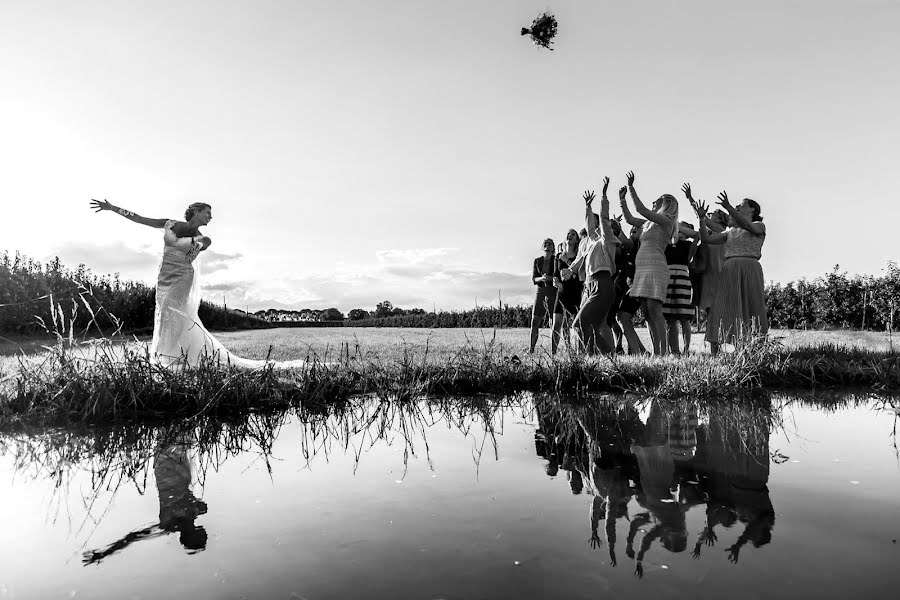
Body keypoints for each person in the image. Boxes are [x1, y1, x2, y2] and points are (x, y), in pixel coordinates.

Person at [90, 199, 300, 369]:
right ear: (195, 211)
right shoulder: (170, 224)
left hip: (182, 277)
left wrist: (199, 243)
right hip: (164, 277)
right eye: (207, 212)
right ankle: (171, 355)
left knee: (175, 314)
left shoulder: (205, 239)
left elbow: (198, 248)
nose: (211, 216)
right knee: (164, 314)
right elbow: (140, 219)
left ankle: (173, 358)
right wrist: (112, 208)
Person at [696, 192, 768, 354]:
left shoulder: (759, 225)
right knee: (721, 304)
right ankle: (716, 347)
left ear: (751, 209)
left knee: (750, 304)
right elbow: (707, 240)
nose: (736, 207)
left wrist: (727, 207)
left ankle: (752, 345)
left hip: (750, 269)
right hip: (730, 269)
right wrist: (701, 219)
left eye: (741, 205)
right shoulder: (730, 231)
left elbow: (748, 226)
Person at [619, 171, 679, 355]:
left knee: (654, 309)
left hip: (655, 268)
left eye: (657, 200)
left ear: (666, 203)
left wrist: (630, 188)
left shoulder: (666, 221)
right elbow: (630, 219)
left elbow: (641, 210)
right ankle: (656, 351)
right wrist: (622, 200)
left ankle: (663, 352)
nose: (653, 202)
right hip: (642, 269)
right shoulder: (648, 224)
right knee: (646, 311)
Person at [566, 180, 617, 354]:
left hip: (602, 284)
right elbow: (589, 226)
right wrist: (587, 208)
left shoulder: (607, 240)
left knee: (579, 324)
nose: (592, 227)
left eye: (596, 224)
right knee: (589, 328)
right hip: (589, 284)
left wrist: (603, 197)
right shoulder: (588, 243)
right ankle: (598, 359)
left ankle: (607, 356)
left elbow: (603, 219)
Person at [682, 184, 727, 329]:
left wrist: (690, 199)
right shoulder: (706, 233)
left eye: (712, 214)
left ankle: (723, 340)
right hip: (707, 273)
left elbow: (701, 217)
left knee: (718, 310)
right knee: (709, 310)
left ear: (719, 220)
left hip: (718, 273)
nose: (708, 215)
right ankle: (715, 347)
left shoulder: (721, 230)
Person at [662, 222, 700, 354]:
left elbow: (698, 237)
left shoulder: (689, 245)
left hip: (683, 277)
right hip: (667, 277)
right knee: (670, 317)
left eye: (682, 228)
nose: (679, 230)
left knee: (684, 317)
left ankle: (687, 349)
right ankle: (674, 350)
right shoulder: (668, 244)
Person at [616, 225, 648, 355]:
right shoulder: (628, 248)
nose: (633, 228)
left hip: (637, 286)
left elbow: (624, 239)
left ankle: (636, 352)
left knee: (623, 316)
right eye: (632, 227)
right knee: (622, 317)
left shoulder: (638, 244)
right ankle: (641, 351)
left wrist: (617, 227)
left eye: (637, 227)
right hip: (628, 287)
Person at [552, 229, 584, 354]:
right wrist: (556, 282)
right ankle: (553, 354)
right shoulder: (558, 256)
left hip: (575, 292)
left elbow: (578, 271)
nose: (570, 236)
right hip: (561, 292)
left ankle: (579, 352)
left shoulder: (579, 255)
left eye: (573, 234)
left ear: (577, 240)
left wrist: (566, 261)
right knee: (556, 324)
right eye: (568, 234)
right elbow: (555, 273)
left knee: (576, 324)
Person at [530, 237, 559, 353]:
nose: (548, 246)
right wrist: (542, 278)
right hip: (540, 291)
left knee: (553, 321)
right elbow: (534, 279)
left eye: (551, 244)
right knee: (535, 320)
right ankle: (531, 349)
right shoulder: (537, 261)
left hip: (553, 291)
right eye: (546, 244)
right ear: (543, 247)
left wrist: (550, 278)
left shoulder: (556, 260)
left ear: (553, 248)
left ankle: (554, 352)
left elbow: (559, 276)